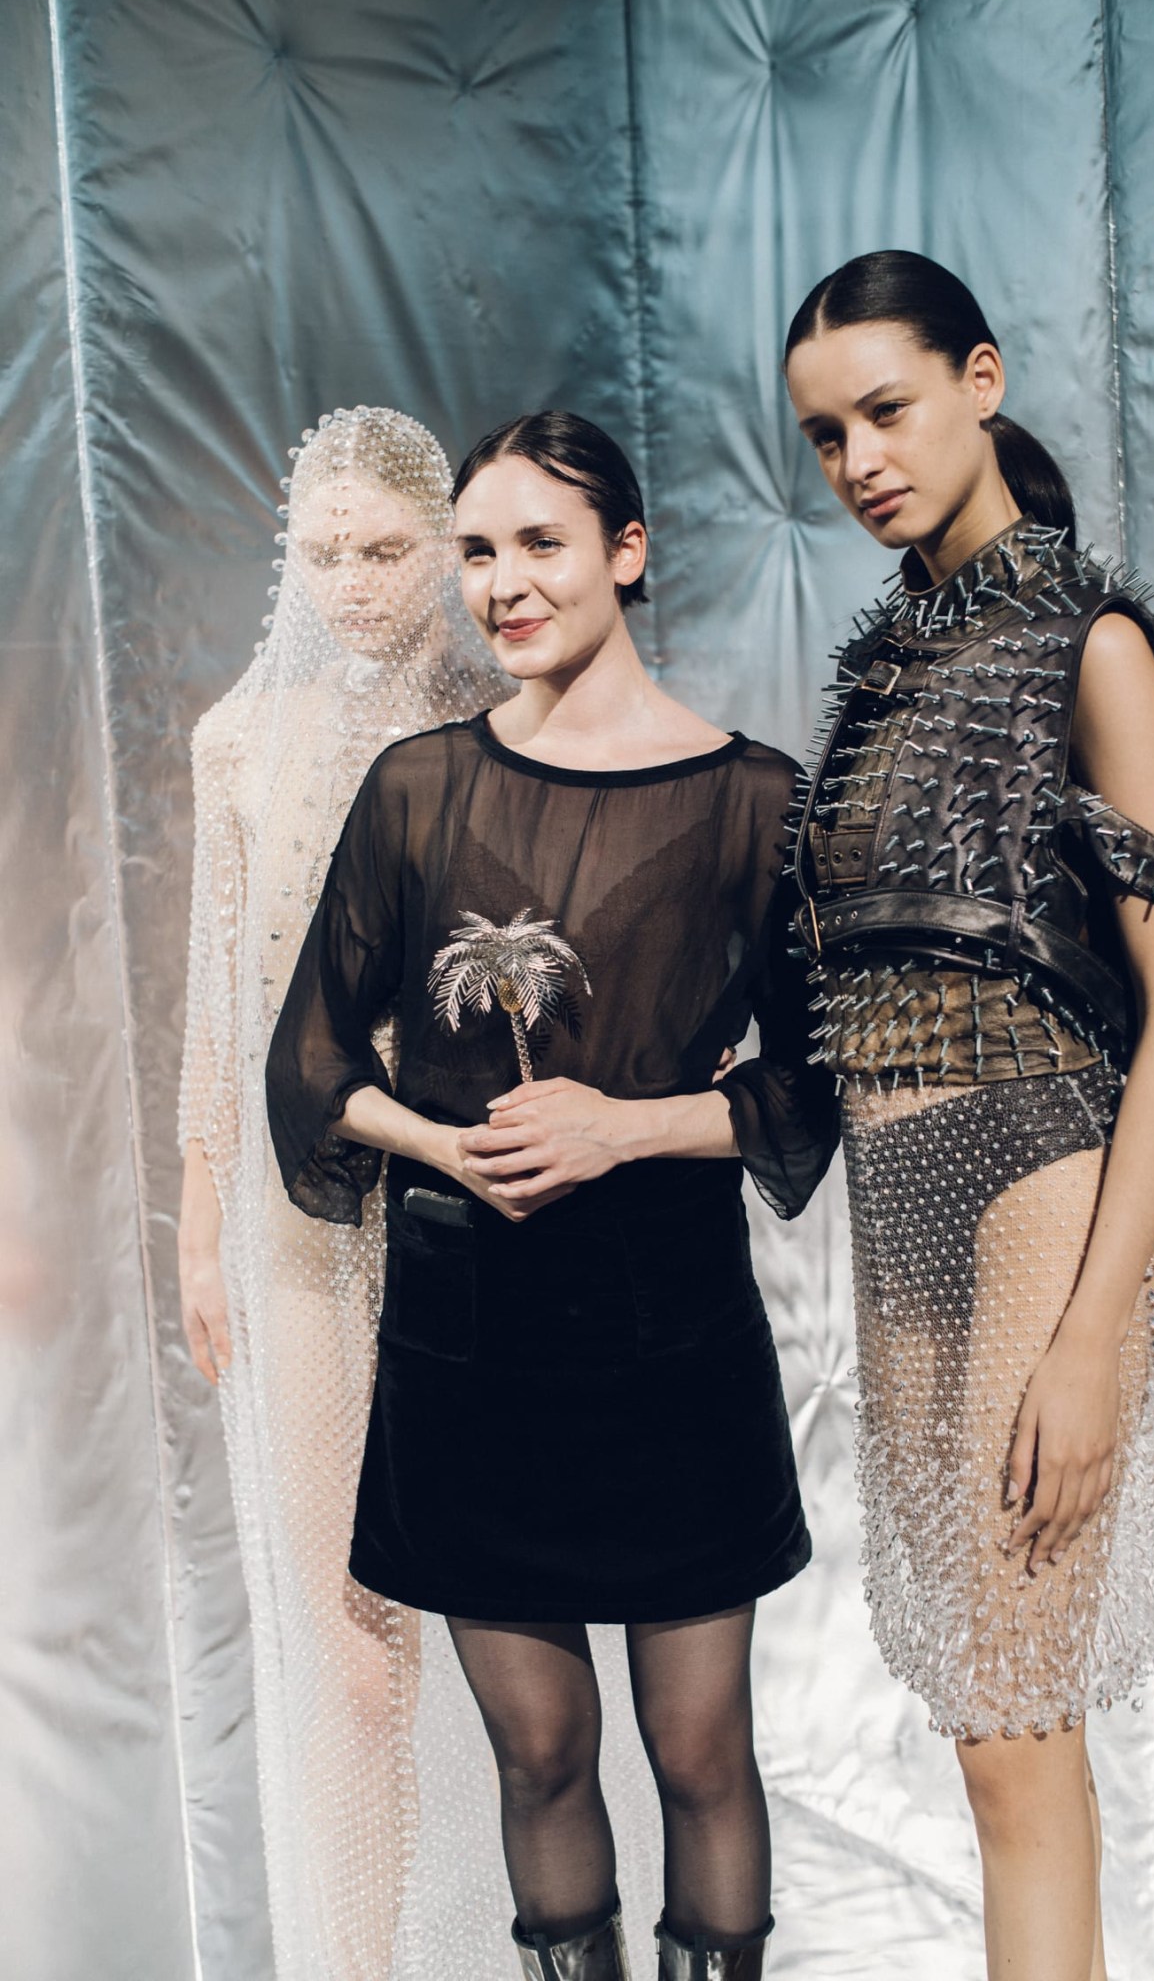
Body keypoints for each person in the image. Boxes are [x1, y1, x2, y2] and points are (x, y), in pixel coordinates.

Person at [265, 410, 838, 1981]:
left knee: (701, 1752)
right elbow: (311, 1063)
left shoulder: (754, 802)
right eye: (477, 551)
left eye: (540, 543)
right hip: (471, 1337)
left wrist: (623, 1127)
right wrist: (457, 1150)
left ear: (625, 555)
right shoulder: (416, 790)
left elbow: (808, 1087)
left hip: (669, 1331)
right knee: (536, 1756)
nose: (503, 582)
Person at [781, 253, 1154, 1980]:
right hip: (898, 1202)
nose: (858, 461)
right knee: (983, 1719)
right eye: (826, 436)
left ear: (979, 380)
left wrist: (1093, 1332)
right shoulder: (877, 682)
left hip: (1042, 1178)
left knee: (1010, 1724)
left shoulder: (1091, 642)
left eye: (885, 411)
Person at [177, 406, 521, 1979]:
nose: (351, 585)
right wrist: (201, 1216)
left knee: (504, 1632)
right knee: (347, 1645)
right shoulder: (237, 739)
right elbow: (215, 998)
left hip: (461, 1190)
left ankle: (518, 1940)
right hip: (290, 1216)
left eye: (384, 551)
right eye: (319, 553)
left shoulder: (496, 717)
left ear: (441, 544)